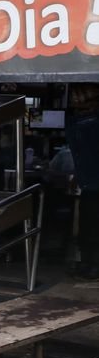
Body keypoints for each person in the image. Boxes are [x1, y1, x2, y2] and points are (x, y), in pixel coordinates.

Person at [64, 83, 99, 281]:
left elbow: (79, 153)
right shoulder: (86, 123)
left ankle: (89, 263)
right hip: (90, 182)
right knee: (90, 227)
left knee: (88, 227)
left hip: (89, 184)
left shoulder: (78, 124)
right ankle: (90, 264)